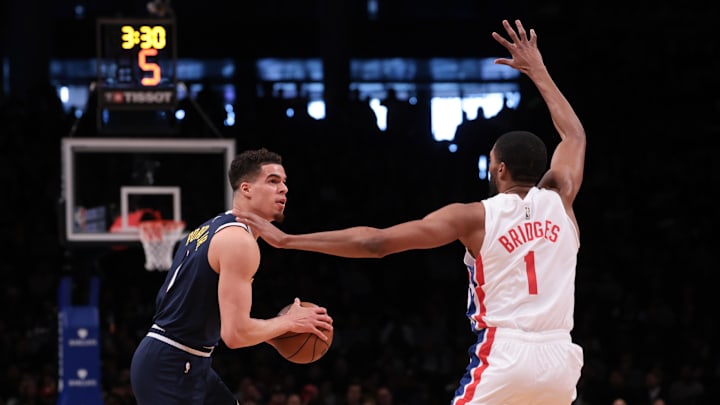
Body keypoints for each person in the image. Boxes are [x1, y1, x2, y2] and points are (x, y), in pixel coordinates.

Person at [236, 19, 585, 404]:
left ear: (499, 169)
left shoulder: (474, 216)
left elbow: (376, 243)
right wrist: (538, 70)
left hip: (508, 353)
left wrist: (287, 240)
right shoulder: (561, 198)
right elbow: (573, 136)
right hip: (560, 357)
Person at [129, 148, 334, 404]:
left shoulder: (210, 227)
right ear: (246, 189)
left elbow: (207, 312)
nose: (284, 189)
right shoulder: (239, 242)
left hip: (187, 360)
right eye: (273, 181)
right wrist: (290, 323)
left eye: (284, 182)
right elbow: (234, 335)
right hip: (172, 365)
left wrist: (275, 332)